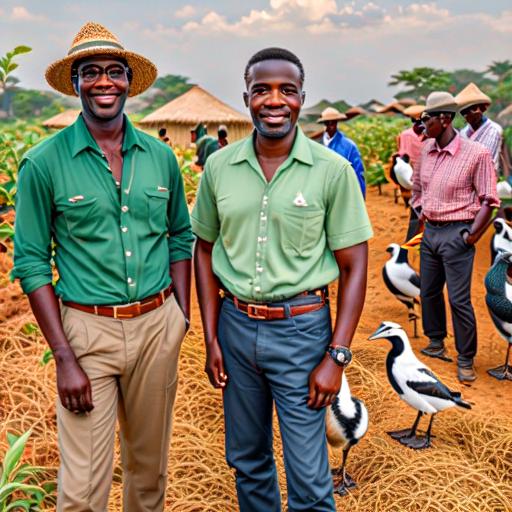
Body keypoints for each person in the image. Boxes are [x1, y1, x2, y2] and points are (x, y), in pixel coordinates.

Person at [12, 22, 193, 511]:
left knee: (149, 472)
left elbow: (181, 234)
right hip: (87, 334)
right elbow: (30, 262)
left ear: (129, 82)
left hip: (158, 326)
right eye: (90, 73)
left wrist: (181, 315)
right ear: (75, 84)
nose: (104, 82)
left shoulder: (160, 158)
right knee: (82, 488)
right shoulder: (43, 164)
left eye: (114, 71)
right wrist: (65, 358)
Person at [192, 47, 372, 512]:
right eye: (262, 90)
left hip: (302, 331)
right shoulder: (219, 167)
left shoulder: (331, 171)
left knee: (309, 477)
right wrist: (211, 337)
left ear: (301, 98)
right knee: (248, 460)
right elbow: (206, 249)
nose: (275, 100)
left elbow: (354, 266)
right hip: (235, 329)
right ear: (247, 97)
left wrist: (337, 355)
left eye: (286, 90)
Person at [411, 91, 499, 383]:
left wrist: (472, 236)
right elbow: (417, 189)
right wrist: (422, 211)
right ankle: (435, 341)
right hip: (431, 232)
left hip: (458, 233)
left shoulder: (476, 154)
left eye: (427, 119)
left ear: (444, 119)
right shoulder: (426, 151)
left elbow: (489, 200)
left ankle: (465, 357)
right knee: (429, 291)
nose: (423, 125)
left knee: (459, 299)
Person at [315, 107, 366, 198]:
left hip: (343, 193)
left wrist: (360, 197)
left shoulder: (349, 146)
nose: (330, 126)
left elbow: (358, 172)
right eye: (327, 123)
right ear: (324, 124)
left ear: (336, 123)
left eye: (333, 122)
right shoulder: (317, 146)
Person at [456, 82, 503, 174]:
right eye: (464, 112)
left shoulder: (494, 130)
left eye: (473, 109)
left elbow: (487, 161)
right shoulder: (464, 133)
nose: (469, 114)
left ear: (482, 108)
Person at [397, 104, 427, 241]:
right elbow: (402, 157)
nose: (419, 125)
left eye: (422, 121)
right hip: (413, 177)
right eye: (416, 122)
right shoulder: (405, 136)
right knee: (416, 209)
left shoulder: (430, 135)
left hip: (430, 176)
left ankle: (418, 239)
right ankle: (413, 240)